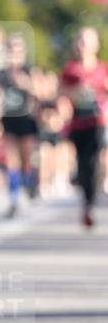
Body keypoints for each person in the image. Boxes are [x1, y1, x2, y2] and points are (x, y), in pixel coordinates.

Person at [60, 27, 108, 228]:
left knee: (95, 159)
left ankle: (95, 194)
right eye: (79, 41)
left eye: (86, 41)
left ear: (95, 45)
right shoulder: (70, 70)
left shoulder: (101, 69)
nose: (82, 46)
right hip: (78, 123)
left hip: (98, 122)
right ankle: (87, 203)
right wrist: (74, 93)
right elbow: (60, 92)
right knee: (83, 165)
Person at [0, 33, 40, 218]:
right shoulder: (2, 73)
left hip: (27, 118)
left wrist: (26, 83)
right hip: (9, 118)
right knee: (11, 159)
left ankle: (31, 182)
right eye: (10, 48)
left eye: (17, 48)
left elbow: (41, 92)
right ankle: (13, 198)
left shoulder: (29, 70)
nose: (13, 52)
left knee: (27, 157)